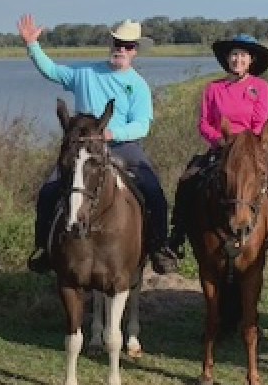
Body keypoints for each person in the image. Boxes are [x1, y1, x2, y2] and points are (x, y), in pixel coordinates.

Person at [18, 14, 177, 275]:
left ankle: (159, 246)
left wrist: (112, 134)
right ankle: (44, 248)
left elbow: (142, 124)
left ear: (135, 51)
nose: (121, 50)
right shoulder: (85, 73)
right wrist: (32, 46)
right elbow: (53, 71)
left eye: (127, 46)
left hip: (122, 145)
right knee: (48, 190)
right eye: (117, 44)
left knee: (153, 190)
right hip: (82, 146)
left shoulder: (138, 86)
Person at [164, 34, 268, 267]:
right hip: (220, 147)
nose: (237, 59)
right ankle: (177, 235)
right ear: (227, 59)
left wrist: (245, 144)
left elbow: (261, 121)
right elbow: (204, 122)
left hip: (251, 148)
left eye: (242, 55)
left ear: (250, 60)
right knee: (188, 178)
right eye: (233, 55)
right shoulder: (213, 88)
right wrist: (220, 141)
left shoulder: (261, 87)